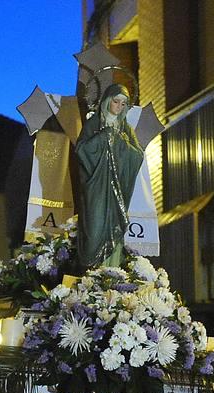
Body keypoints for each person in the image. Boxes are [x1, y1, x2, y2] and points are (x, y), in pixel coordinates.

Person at [75, 83, 147, 269]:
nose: (119, 107)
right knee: (94, 228)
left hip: (117, 191)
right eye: (116, 102)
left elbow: (138, 155)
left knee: (115, 232)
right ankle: (91, 273)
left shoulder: (126, 129)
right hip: (96, 189)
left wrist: (120, 143)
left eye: (124, 104)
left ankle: (111, 272)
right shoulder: (94, 125)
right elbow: (81, 150)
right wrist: (104, 137)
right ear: (107, 101)